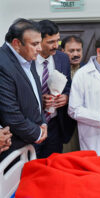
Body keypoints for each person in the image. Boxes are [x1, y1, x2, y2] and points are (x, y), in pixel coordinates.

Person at [0, 18, 47, 161]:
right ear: (16, 43)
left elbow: (35, 96)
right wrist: (37, 133)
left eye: (40, 42)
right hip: (12, 144)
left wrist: (42, 122)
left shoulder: (27, 57)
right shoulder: (3, 64)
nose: (40, 48)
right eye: (35, 44)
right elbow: (10, 113)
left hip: (31, 138)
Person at [33, 19, 75, 158]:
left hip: (56, 124)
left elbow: (68, 85)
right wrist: (40, 100)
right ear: (39, 41)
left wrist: (66, 97)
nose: (56, 46)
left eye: (58, 41)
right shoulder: (28, 60)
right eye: (51, 42)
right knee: (32, 166)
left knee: (54, 164)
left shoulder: (62, 58)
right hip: (33, 125)